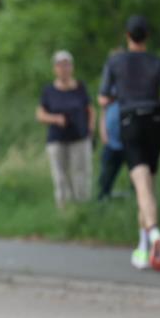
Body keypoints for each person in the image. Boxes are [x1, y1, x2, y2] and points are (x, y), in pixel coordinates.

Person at [99, 16, 160, 271]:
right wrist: (158, 103)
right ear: (147, 36)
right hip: (156, 122)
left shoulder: (115, 62)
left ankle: (154, 233)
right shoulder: (159, 62)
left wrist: (120, 96)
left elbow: (102, 98)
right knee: (147, 186)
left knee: (141, 185)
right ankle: (143, 249)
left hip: (130, 123)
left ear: (127, 35)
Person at [35, 50, 95, 208]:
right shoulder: (49, 91)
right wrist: (55, 118)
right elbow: (40, 114)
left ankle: (82, 208)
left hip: (79, 138)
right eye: (60, 65)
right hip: (57, 138)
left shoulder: (80, 87)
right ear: (55, 68)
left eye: (67, 65)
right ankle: (64, 209)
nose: (64, 68)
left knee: (80, 173)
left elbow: (90, 110)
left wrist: (90, 130)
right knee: (61, 176)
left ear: (72, 67)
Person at [97, 49, 126, 201]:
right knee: (107, 172)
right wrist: (103, 131)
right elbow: (103, 109)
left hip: (129, 136)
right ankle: (103, 198)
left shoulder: (133, 81)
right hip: (111, 137)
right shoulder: (107, 84)